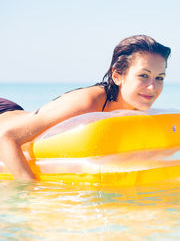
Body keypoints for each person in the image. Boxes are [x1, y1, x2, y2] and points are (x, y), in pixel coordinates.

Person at [0, 35, 171, 181]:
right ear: (117, 76)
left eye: (159, 78)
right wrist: (29, 195)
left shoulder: (136, 108)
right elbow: (6, 138)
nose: (152, 87)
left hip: (15, 113)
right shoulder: (87, 103)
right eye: (144, 75)